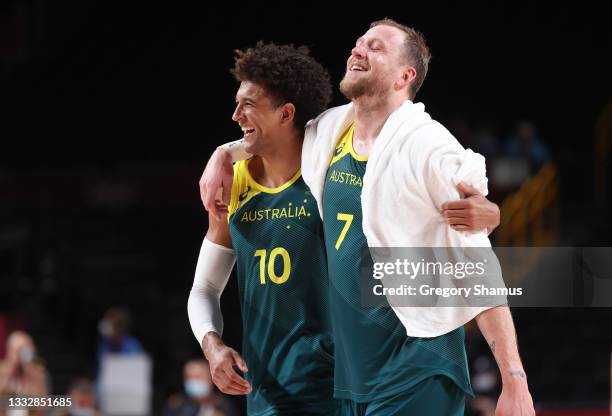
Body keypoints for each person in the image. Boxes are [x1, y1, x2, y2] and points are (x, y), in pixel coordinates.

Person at [198, 19, 534, 416]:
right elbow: (273, 133)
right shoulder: (328, 132)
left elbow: (478, 267)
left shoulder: (428, 146)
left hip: (417, 366)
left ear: (405, 76)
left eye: (375, 47)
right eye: (358, 43)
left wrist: (514, 381)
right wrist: (224, 152)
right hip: (355, 380)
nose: (358, 50)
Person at [187, 42, 338, 415]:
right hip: (266, 390)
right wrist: (213, 346)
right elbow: (204, 288)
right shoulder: (233, 184)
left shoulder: (331, 173)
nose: (236, 114)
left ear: (286, 113)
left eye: (248, 104)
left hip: (339, 385)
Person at [163, 360, 236, 416]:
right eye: (189, 377)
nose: (194, 382)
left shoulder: (223, 404)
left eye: (199, 377)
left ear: (211, 379)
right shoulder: (175, 405)